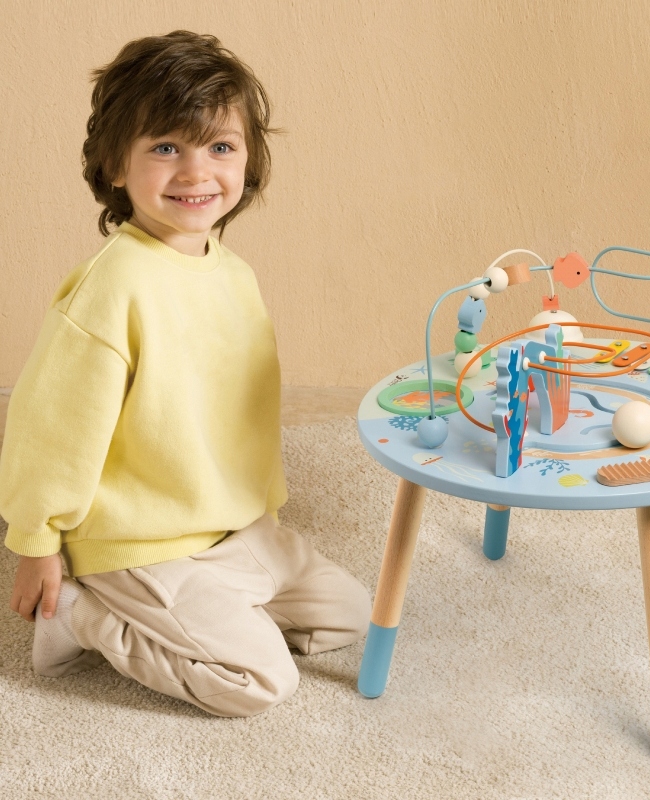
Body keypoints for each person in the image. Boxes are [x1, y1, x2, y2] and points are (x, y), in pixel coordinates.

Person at [0, 30, 371, 717]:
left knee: (352, 616)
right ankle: (82, 616)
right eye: (166, 147)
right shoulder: (113, 289)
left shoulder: (233, 274)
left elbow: (237, 413)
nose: (196, 172)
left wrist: (258, 511)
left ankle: (213, 609)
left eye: (220, 148)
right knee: (261, 683)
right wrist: (37, 543)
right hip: (141, 542)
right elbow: (50, 429)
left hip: (232, 525)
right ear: (115, 164)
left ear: (248, 162)